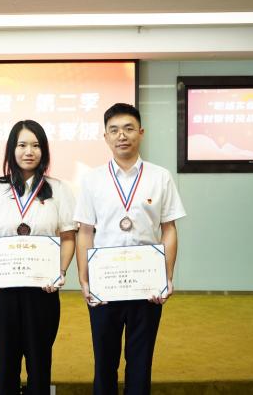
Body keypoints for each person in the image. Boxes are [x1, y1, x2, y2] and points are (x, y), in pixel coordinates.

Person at [74, 103, 186, 395]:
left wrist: (166, 277)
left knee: (140, 362)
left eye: (128, 128)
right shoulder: (92, 179)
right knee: (104, 362)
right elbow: (85, 231)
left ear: (141, 132)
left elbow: (169, 229)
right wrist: (85, 280)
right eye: (114, 130)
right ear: (105, 137)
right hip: (105, 284)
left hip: (146, 285)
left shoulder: (160, 177)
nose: (121, 136)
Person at [0, 120, 76, 395]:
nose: (29, 151)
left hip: (43, 290)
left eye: (35, 145)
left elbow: (68, 237)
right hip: (2, 290)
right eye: (22, 145)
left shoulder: (59, 190)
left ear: (44, 151)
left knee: (40, 363)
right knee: (5, 362)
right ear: (11, 150)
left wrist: (60, 271)